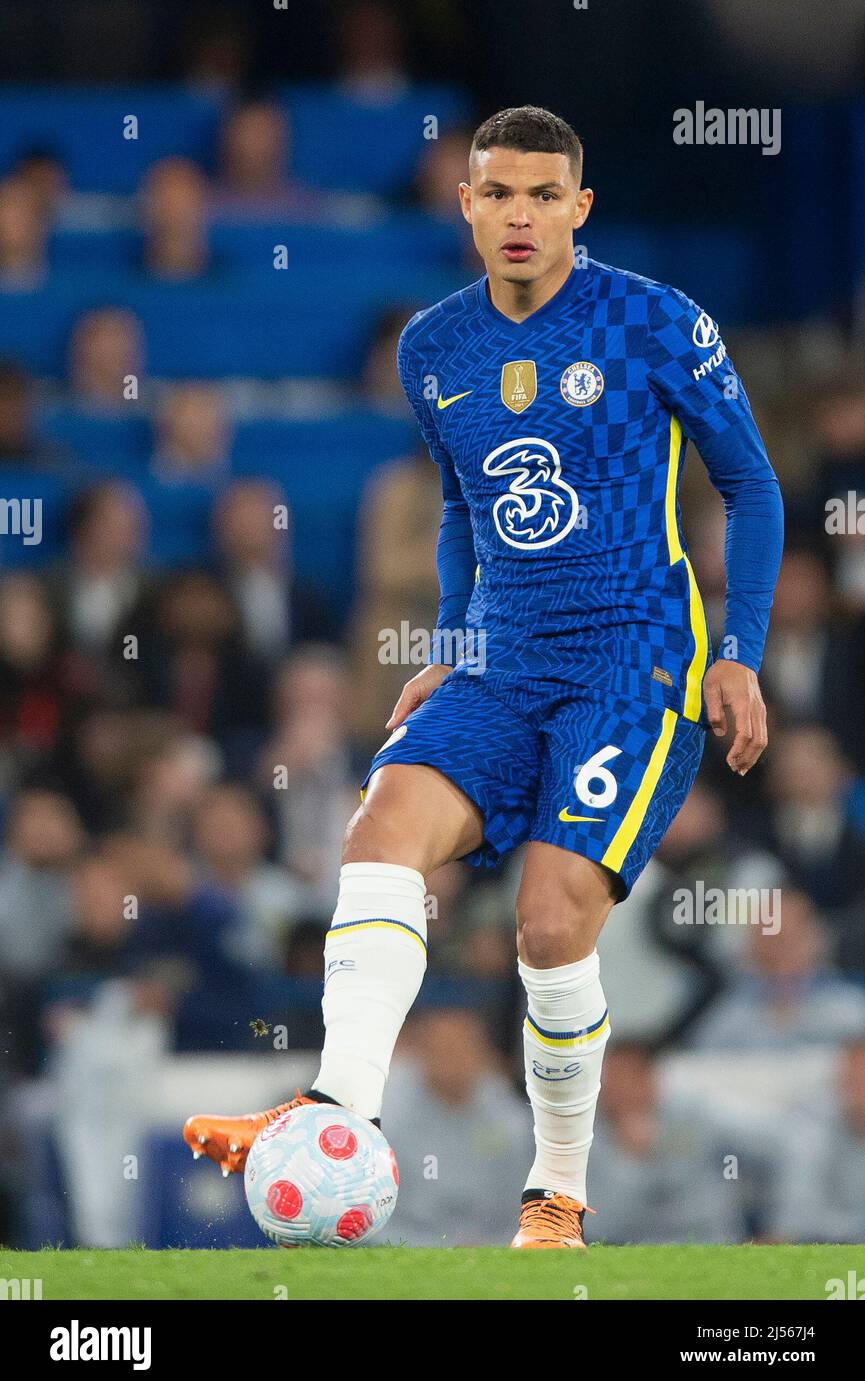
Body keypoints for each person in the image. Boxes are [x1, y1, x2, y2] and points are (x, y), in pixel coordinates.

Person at [185, 105, 784, 1249]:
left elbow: (750, 487)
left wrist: (738, 652)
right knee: (378, 831)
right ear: (463, 203)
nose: (519, 216)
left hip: (632, 655)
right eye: (497, 193)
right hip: (502, 659)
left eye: (542, 195)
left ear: (579, 209)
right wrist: (453, 644)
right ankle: (334, 1113)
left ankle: (555, 1190)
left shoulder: (653, 322)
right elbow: (464, 507)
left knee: (551, 922)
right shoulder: (433, 347)